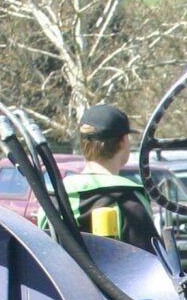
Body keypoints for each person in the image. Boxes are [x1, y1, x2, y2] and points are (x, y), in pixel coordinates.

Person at [61, 103, 159, 252]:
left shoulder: (55, 196)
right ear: (123, 142)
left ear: (83, 143)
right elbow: (151, 266)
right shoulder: (129, 200)